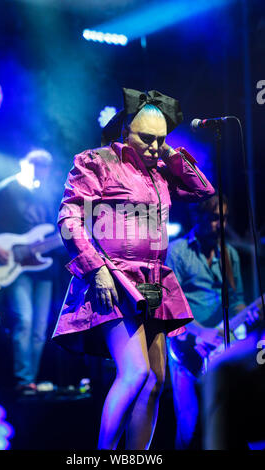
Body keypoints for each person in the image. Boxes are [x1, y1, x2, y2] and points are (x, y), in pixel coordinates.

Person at [52, 87, 215, 450]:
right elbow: (68, 217)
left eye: (161, 139)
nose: (155, 146)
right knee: (136, 371)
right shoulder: (96, 161)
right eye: (147, 138)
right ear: (126, 130)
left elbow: (202, 189)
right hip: (112, 276)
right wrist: (95, 268)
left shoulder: (160, 170)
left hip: (154, 280)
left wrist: (168, 152)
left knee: (156, 380)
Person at [0, 149, 57, 395]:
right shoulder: (7, 188)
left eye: (45, 166)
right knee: (24, 319)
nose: (41, 170)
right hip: (15, 266)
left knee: (40, 328)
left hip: (43, 267)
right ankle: (22, 379)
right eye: (37, 164)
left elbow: (53, 228)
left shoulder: (46, 194)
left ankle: (30, 381)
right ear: (24, 164)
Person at [166, 193, 247, 449]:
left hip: (223, 347)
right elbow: (170, 306)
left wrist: (245, 318)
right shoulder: (177, 251)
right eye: (213, 218)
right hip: (187, 345)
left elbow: (236, 300)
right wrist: (201, 333)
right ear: (196, 216)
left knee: (226, 422)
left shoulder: (229, 253)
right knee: (189, 427)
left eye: (223, 219)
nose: (219, 225)